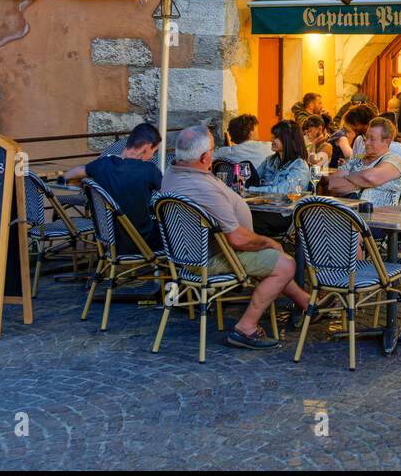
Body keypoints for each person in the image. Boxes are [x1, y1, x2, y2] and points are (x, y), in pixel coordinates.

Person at [161, 125, 317, 349]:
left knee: (274, 258)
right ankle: (246, 327)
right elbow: (238, 239)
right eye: (213, 150)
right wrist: (268, 242)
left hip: (187, 255)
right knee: (285, 263)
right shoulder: (201, 186)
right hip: (215, 256)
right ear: (205, 157)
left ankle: (306, 303)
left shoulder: (173, 173)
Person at [62, 122, 163, 255]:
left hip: (109, 242)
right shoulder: (149, 170)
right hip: (141, 242)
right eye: (153, 151)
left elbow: (69, 175)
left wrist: (84, 182)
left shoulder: (102, 164)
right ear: (147, 147)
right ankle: (177, 273)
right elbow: (169, 194)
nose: (152, 157)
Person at [323, 116, 401, 207]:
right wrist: (365, 185)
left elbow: (370, 178)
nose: (367, 143)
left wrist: (347, 178)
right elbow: (332, 184)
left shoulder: (395, 160)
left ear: (387, 141)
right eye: (366, 138)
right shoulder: (356, 159)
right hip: (351, 217)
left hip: (382, 218)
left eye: (372, 139)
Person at [248, 119, 313, 236]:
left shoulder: (299, 166)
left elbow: (282, 193)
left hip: (284, 213)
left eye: (275, 137)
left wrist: (249, 190)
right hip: (263, 206)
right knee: (237, 216)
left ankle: (270, 251)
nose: (271, 140)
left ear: (288, 140)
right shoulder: (270, 160)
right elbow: (253, 178)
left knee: (252, 223)